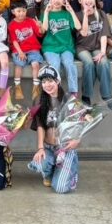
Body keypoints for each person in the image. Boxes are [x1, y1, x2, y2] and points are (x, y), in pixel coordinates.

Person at [28, 64, 81, 194]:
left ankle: (70, 171)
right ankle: (49, 173)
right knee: (39, 163)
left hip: (65, 148)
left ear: (57, 81)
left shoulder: (70, 100)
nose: (47, 85)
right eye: (44, 82)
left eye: (50, 81)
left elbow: (80, 123)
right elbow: (40, 126)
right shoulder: (39, 100)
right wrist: (40, 148)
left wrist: (77, 140)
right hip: (48, 147)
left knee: (60, 188)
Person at [40, 0, 81, 97]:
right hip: (50, 47)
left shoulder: (67, 14)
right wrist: (46, 12)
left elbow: (78, 27)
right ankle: (56, 93)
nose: (57, 0)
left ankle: (73, 94)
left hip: (66, 47)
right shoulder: (46, 14)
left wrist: (71, 11)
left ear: (64, 0)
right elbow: (44, 29)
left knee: (69, 64)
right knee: (55, 65)